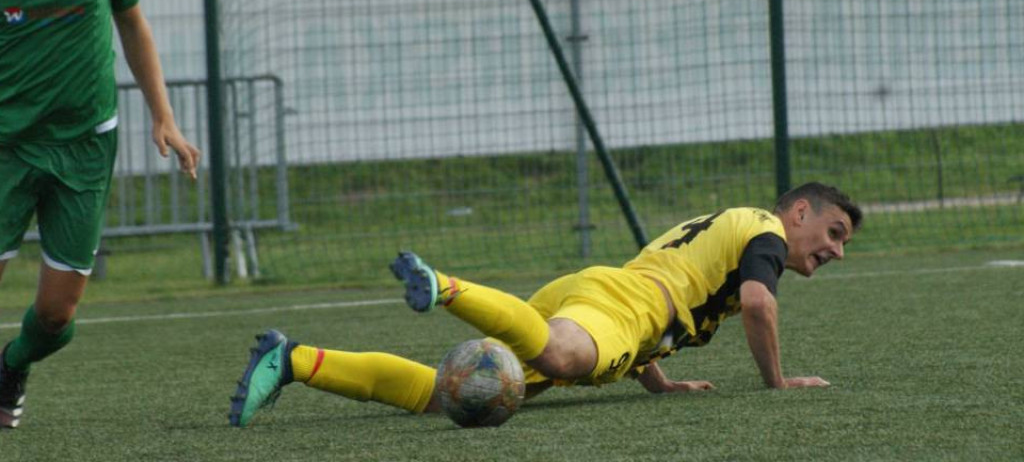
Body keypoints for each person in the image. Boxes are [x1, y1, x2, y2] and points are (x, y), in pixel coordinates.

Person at [229, 181, 861, 427]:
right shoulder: (766, 231)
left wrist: (659, 382)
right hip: (621, 308)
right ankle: (444, 286)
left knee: (449, 394)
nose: (835, 250)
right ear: (799, 212)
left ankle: (294, 360)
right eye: (833, 232)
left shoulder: (731, 226)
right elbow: (757, 304)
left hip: (602, 297)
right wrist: (778, 382)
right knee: (559, 356)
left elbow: (666, 305)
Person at [0, 0, 201, 430]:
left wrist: (163, 115)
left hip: (85, 146)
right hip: (6, 147)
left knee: (56, 318)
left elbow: (132, 25)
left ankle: (12, 365)